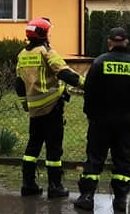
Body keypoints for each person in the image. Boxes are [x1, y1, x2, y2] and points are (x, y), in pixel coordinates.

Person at [74, 26, 130, 212]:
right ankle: (120, 200)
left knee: (95, 158)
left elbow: (89, 92)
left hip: (100, 120)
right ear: (126, 42)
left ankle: (87, 196)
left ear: (109, 42)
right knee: (123, 160)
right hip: (125, 121)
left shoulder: (99, 63)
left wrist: (90, 114)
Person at [15, 17, 84, 199]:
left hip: (34, 110)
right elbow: (63, 72)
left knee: (33, 147)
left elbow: (19, 84)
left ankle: (28, 185)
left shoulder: (22, 54)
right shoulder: (46, 52)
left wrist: (25, 103)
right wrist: (85, 83)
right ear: (44, 34)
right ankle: (55, 187)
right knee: (54, 148)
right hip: (52, 107)